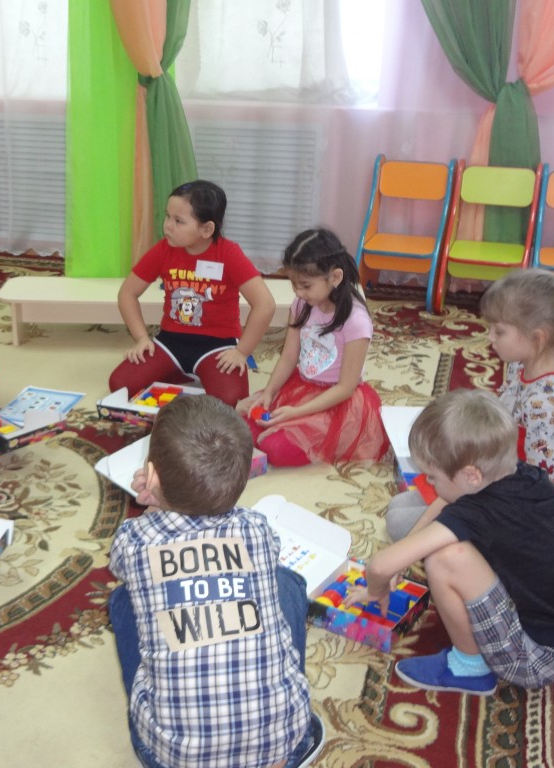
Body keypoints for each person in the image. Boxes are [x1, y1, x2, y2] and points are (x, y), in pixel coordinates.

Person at [108, 394, 325, 768]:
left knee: (124, 600)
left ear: (152, 476)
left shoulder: (135, 540)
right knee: (285, 581)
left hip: (175, 758)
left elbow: (124, 565)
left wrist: (154, 507)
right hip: (282, 746)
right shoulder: (256, 528)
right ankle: (277, 709)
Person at [347, 389, 554, 695]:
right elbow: (446, 501)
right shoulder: (520, 473)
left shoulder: (479, 513)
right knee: (413, 516)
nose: (428, 483)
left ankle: (469, 669)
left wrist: (376, 591)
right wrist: (408, 551)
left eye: (432, 477)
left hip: (537, 658)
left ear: (471, 476)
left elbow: (379, 566)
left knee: (443, 558)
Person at [385, 268, 554, 541]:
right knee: (398, 506)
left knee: (398, 522)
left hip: (505, 498)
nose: (490, 337)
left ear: (538, 338)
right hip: (487, 471)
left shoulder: (544, 404)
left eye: (499, 331)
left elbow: (539, 486)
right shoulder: (521, 364)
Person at [109, 180, 275, 408]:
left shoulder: (228, 253)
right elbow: (127, 293)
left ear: (206, 230)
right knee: (120, 384)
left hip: (217, 346)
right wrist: (141, 338)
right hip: (170, 341)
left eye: (178, 221)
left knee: (229, 402)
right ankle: (181, 371)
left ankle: (192, 371)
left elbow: (265, 304)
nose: (168, 226)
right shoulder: (163, 249)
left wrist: (241, 352)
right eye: (167, 216)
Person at [237, 227, 388, 467]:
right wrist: (269, 392)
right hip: (301, 387)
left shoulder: (356, 321)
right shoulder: (301, 304)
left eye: (306, 286)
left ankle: (320, 436)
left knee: (275, 448)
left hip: (337, 402)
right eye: (294, 284)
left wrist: (296, 413)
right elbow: (289, 357)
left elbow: (345, 388)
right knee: (246, 425)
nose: (298, 292)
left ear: (335, 277)